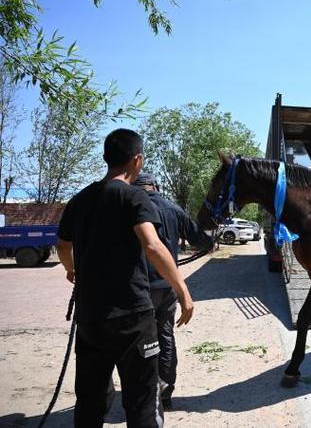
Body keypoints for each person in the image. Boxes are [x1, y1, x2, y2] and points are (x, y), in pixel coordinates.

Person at [55, 128, 194, 427]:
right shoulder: (134, 197)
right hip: (132, 317)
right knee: (142, 401)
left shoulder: (80, 200)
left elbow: (63, 245)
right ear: (137, 160)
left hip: (91, 317)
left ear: (106, 159)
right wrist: (182, 290)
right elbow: (153, 245)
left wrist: (72, 270)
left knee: (90, 401)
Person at [133, 173, 213, 409]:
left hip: (139, 287)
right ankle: (166, 390)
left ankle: (145, 390)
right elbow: (202, 241)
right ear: (155, 186)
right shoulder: (173, 209)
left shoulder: (131, 207)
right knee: (166, 335)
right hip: (167, 286)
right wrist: (211, 239)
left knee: (141, 339)